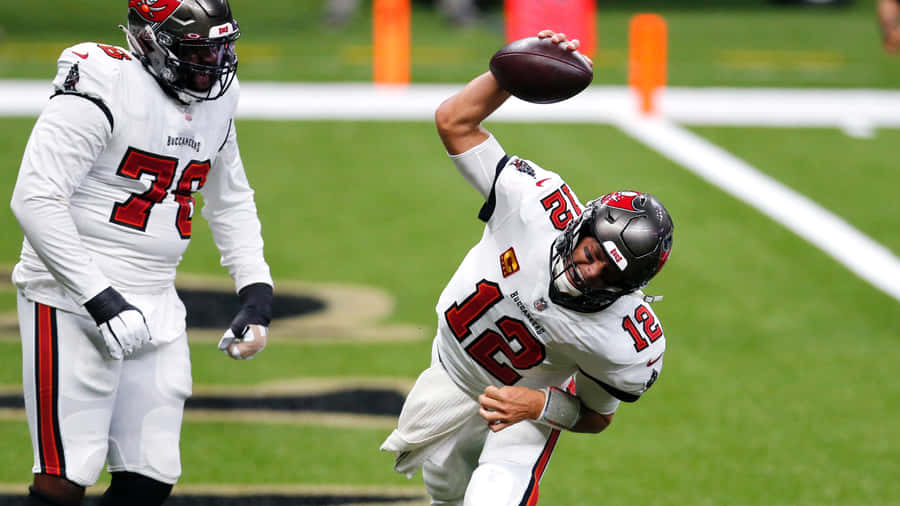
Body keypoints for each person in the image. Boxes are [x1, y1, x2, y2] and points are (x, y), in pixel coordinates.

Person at [380, 30, 674, 505]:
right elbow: (455, 121)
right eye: (593, 253)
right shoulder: (533, 206)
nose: (591, 272)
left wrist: (540, 404)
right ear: (579, 227)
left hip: (524, 414)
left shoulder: (623, 339)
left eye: (611, 274)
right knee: (445, 495)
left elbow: (597, 417)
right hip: (451, 373)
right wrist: (511, 72)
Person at [9, 1, 273, 505]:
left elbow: (230, 197)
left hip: (156, 295)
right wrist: (99, 297)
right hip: (70, 294)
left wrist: (256, 292)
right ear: (151, 42)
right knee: (65, 474)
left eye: (221, 49)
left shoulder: (219, 98)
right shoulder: (103, 82)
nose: (214, 64)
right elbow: (36, 199)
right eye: (199, 51)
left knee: (149, 476)